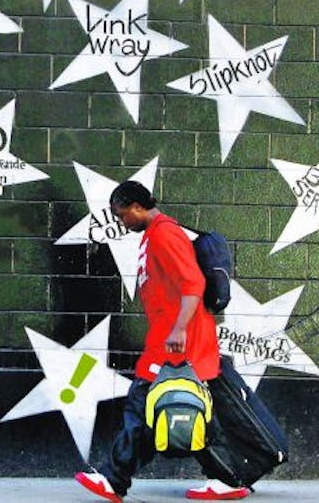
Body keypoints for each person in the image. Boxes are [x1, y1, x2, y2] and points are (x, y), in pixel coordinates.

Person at [75, 181, 250, 501]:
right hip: (170, 340)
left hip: (177, 344)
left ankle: (115, 480)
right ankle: (227, 478)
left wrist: (180, 329)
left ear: (137, 206)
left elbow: (193, 284)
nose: (121, 222)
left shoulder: (165, 234)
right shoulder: (154, 235)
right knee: (183, 412)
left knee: (142, 407)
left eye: (121, 215)